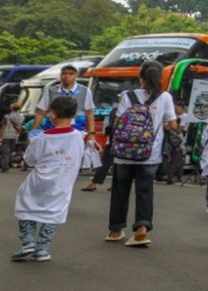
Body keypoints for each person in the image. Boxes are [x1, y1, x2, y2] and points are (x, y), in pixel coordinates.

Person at [105, 60, 177, 247]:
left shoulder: (127, 96)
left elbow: (119, 121)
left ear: (140, 77)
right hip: (149, 153)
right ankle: (142, 228)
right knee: (145, 191)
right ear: (160, 77)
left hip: (124, 153)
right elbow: (173, 124)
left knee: (120, 192)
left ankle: (115, 230)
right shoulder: (165, 97)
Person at [11, 96, 84, 263]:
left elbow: (29, 159)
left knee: (25, 205)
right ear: (74, 114)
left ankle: (28, 241)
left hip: (39, 180)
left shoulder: (42, 137)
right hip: (62, 183)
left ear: (52, 114)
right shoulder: (78, 136)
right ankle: (42, 249)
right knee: (53, 213)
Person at [32, 65, 96, 135]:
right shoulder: (51, 91)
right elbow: (41, 113)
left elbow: (89, 113)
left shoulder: (85, 91)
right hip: (52, 131)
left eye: (71, 74)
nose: (67, 76)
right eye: (64, 73)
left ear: (76, 75)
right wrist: (32, 133)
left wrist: (91, 133)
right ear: (60, 75)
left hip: (77, 131)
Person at [0, 102, 25, 173]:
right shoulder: (22, 116)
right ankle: (8, 164)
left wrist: (0, 136)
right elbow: (20, 127)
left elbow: (3, 126)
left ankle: (5, 167)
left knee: (5, 151)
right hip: (15, 135)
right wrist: (17, 135)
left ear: (12, 108)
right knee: (10, 151)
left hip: (7, 134)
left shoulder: (7, 116)